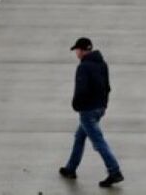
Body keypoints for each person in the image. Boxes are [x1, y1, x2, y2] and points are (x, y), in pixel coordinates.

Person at [60, 37, 122, 188]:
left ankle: (114, 171)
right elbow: (108, 87)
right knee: (79, 136)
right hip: (99, 108)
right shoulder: (102, 64)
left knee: (98, 142)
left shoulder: (84, 67)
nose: (76, 53)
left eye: (76, 50)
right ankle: (70, 168)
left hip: (88, 111)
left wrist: (76, 106)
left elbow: (81, 90)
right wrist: (103, 106)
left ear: (82, 50)